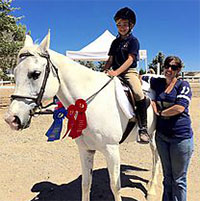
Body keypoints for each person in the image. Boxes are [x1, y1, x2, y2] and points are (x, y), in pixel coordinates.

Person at [142, 56, 194, 201]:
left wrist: (159, 113)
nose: (169, 69)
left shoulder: (183, 85)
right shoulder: (158, 82)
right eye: (167, 66)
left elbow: (179, 107)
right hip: (162, 137)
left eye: (174, 67)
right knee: (167, 177)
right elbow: (142, 77)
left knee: (179, 180)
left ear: (179, 70)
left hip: (180, 138)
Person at [103, 7, 149, 144]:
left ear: (131, 25)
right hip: (114, 71)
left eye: (124, 24)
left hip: (129, 72)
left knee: (138, 93)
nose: (121, 27)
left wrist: (116, 72)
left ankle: (143, 128)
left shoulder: (133, 41)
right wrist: (104, 71)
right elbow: (110, 60)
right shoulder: (115, 42)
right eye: (119, 24)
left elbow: (130, 60)